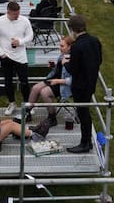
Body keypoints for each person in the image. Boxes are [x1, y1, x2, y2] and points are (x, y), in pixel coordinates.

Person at [64, 15, 102, 154]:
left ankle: (85, 143)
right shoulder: (95, 41)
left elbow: (73, 69)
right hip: (91, 83)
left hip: (80, 86)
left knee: (83, 114)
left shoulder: (77, 46)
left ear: (73, 30)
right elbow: (99, 60)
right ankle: (86, 141)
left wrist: (65, 63)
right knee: (85, 113)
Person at [0, 1, 33, 116]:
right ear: (8, 12)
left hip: (21, 56)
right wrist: (1, 53)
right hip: (6, 56)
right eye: (15, 14)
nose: (17, 16)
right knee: (8, 81)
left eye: (18, 14)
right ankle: (12, 103)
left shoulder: (24, 20)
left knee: (24, 81)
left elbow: (30, 36)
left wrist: (20, 41)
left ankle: (27, 104)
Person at [27, 36, 73, 126]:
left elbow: (74, 80)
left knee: (44, 92)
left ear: (70, 47)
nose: (60, 48)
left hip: (63, 85)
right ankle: (26, 113)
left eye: (62, 46)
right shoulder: (63, 55)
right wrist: (54, 65)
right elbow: (60, 70)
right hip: (54, 79)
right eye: (60, 45)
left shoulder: (75, 59)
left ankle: (52, 117)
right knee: (35, 88)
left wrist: (58, 81)